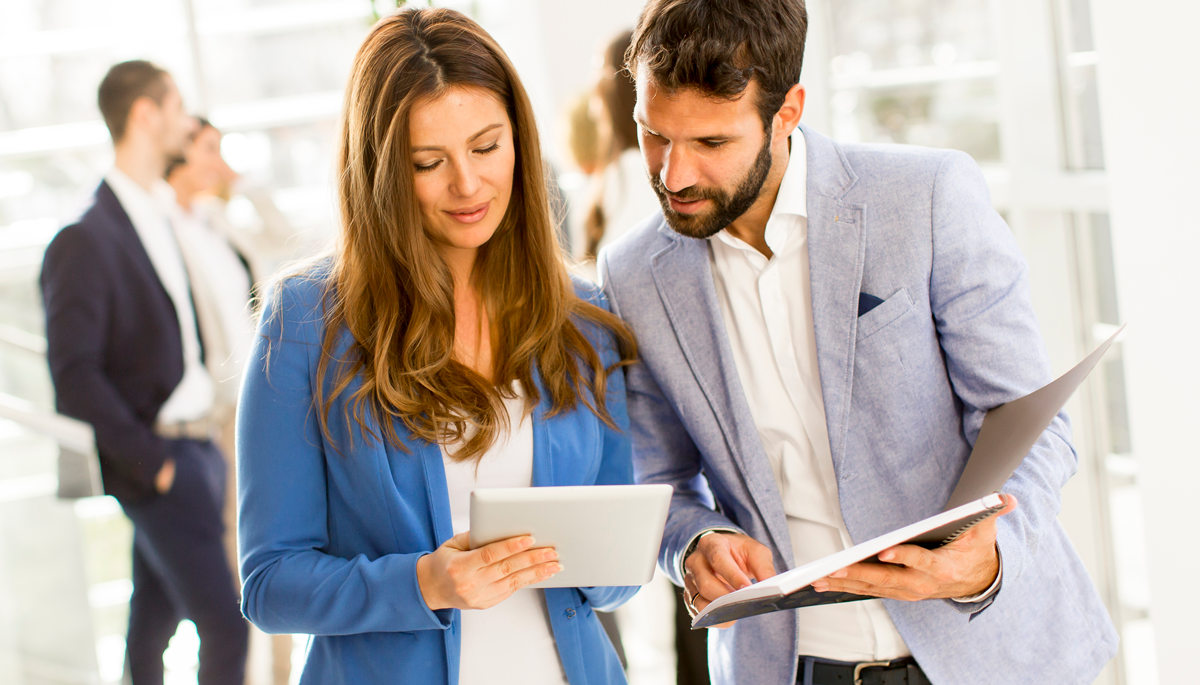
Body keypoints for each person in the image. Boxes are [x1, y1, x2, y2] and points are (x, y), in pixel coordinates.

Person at [598, 1, 1119, 684]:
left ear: (787, 112)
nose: (674, 175)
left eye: (711, 143)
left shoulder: (926, 198)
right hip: (794, 664)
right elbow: (658, 479)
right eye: (654, 135)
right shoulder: (634, 272)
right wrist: (694, 542)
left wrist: (989, 557)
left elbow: (1032, 425)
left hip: (987, 647)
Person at [236, 8, 639, 684]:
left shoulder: (586, 320)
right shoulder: (306, 322)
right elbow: (270, 583)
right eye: (430, 162)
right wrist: (424, 581)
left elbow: (619, 571)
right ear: (383, 171)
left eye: (487, 147)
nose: (469, 184)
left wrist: (608, 564)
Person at [40, 60, 249, 684]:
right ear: (145, 115)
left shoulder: (161, 215)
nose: (189, 124)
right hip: (163, 462)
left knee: (149, 630)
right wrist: (151, 464)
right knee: (228, 626)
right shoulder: (86, 237)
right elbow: (73, 373)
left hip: (197, 451)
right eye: (178, 107)